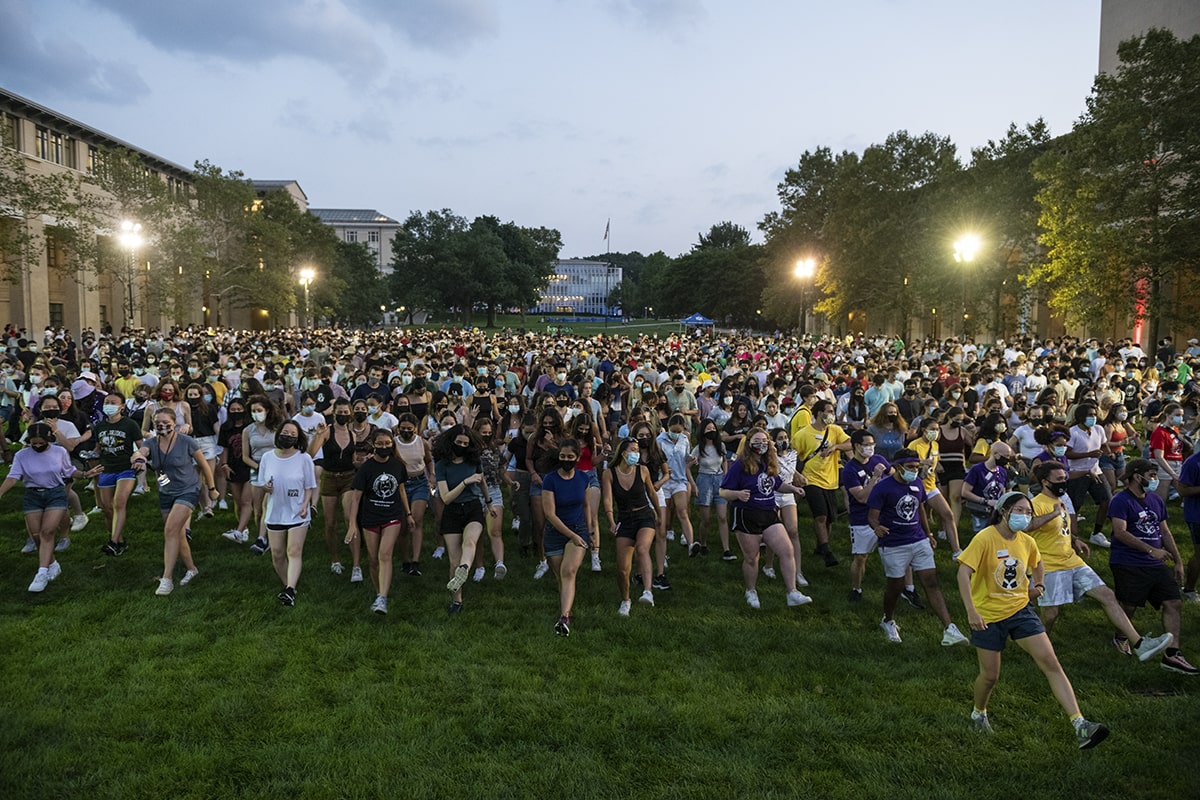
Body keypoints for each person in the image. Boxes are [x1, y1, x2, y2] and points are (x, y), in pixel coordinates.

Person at [956, 491, 1110, 749]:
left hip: (1020, 610)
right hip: (988, 615)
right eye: (1019, 510)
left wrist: (1038, 585)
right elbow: (963, 573)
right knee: (990, 676)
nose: (1025, 516)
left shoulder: (1027, 541)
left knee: (1051, 662)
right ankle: (978, 712)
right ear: (1004, 511)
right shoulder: (985, 538)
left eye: (1028, 512)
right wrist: (972, 611)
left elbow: (1037, 563)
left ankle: (1080, 724)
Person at [1025, 461, 1173, 661]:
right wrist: (1052, 513)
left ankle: (1139, 644)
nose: (1064, 482)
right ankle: (1039, 648)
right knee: (1051, 614)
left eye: (1065, 478)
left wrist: (1075, 540)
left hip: (1072, 561)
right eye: (1059, 479)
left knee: (1107, 595)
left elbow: (1059, 530)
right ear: (1045, 482)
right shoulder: (1036, 504)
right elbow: (1027, 527)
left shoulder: (1062, 500)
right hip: (1049, 566)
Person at [867, 448, 969, 646]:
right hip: (894, 543)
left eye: (916, 466)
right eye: (910, 467)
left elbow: (920, 508)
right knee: (895, 586)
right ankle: (888, 620)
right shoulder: (883, 488)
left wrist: (928, 534)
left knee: (931, 581)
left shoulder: (917, 483)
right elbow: (872, 515)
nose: (915, 470)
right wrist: (876, 527)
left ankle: (949, 628)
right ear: (897, 467)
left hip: (918, 539)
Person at [1106, 459, 1197, 674]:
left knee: (1173, 602)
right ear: (1137, 477)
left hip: (1155, 564)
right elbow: (1120, 532)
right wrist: (1150, 549)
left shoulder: (1156, 500)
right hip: (1129, 562)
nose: (1155, 480)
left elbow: (1165, 532)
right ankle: (1121, 636)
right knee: (1129, 605)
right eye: (1152, 475)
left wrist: (1178, 561)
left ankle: (1173, 655)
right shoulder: (1121, 501)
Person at [718, 428, 812, 610]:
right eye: (757, 440)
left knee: (786, 550)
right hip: (746, 514)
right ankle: (751, 590)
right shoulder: (740, 465)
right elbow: (723, 491)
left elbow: (776, 484)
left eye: (765, 441)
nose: (761, 444)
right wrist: (737, 493)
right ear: (749, 443)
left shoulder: (769, 462)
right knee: (752, 558)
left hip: (769, 512)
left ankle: (792, 592)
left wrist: (793, 489)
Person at [0, 423, 100, 592]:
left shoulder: (59, 452)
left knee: (47, 532)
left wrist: (84, 474)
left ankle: (41, 572)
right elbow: (13, 476)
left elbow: (68, 471)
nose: (37, 446)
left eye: (41, 443)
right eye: (34, 443)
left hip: (55, 493)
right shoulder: (22, 455)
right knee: (37, 536)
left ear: (49, 439)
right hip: (32, 495)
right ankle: (52, 563)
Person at [133, 408, 219, 596]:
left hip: (188, 490)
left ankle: (167, 579)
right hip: (166, 491)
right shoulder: (151, 442)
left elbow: (204, 465)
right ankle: (192, 569)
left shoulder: (186, 441)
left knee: (170, 530)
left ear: (175, 423)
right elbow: (141, 451)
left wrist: (212, 489)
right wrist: (138, 458)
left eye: (165, 422)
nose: (162, 426)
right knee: (177, 534)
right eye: (157, 423)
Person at [345, 428, 413, 615]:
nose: (384, 447)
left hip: (392, 516)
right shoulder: (366, 468)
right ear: (373, 445)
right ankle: (378, 593)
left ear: (392, 444)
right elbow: (356, 498)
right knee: (373, 560)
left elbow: (401, 490)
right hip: (370, 517)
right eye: (380, 443)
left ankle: (382, 597)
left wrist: (408, 514)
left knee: (385, 555)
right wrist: (352, 524)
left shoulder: (398, 465)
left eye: (387, 443)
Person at [435, 424, 496, 614]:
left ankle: (465, 568)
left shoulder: (473, 461)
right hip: (452, 511)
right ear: (451, 442)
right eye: (458, 442)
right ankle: (457, 600)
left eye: (465, 443)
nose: (461, 445)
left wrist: (489, 503)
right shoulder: (442, 465)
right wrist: (464, 482)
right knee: (453, 559)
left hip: (472, 508)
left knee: (470, 542)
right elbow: (446, 498)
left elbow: (482, 481)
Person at [256, 420, 318, 606]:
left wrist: (306, 505)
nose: (288, 436)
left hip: (297, 512)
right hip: (276, 512)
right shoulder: (268, 457)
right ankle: (288, 585)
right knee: (277, 553)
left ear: (298, 438)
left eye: (293, 433)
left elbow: (310, 486)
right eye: (285, 432)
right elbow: (262, 483)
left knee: (294, 551)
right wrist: (266, 487)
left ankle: (290, 589)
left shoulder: (304, 458)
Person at [602, 437, 661, 615]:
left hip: (644, 516)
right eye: (633, 450)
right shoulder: (609, 473)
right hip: (625, 519)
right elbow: (607, 499)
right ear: (622, 452)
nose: (636, 453)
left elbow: (651, 492)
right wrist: (611, 521)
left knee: (642, 549)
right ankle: (626, 600)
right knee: (622, 569)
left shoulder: (642, 470)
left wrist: (659, 514)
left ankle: (648, 591)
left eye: (637, 450)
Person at [791, 399, 851, 567]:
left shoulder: (835, 430)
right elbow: (793, 454)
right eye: (829, 411)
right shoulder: (803, 434)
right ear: (819, 413)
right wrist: (796, 474)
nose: (832, 415)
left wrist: (835, 447)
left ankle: (820, 545)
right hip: (811, 479)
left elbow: (850, 443)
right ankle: (826, 550)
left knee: (830, 519)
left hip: (830, 480)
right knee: (821, 515)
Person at [541, 437, 592, 635]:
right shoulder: (550, 480)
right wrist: (569, 534)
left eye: (570, 456)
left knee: (569, 571)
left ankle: (563, 618)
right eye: (563, 456)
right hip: (555, 532)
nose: (566, 459)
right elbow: (549, 514)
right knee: (561, 577)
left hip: (578, 529)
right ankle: (567, 611)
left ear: (578, 458)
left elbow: (586, 506)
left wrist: (589, 530)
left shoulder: (583, 479)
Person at [841, 429, 890, 602]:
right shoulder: (849, 470)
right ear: (856, 446)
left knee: (898, 552)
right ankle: (857, 588)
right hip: (862, 518)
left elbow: (894, 476)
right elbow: (861, 497)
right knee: (861, 556)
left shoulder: (879, 460)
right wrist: (875, 477)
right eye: (866, 445)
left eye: (872, 444)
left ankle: (907, 588)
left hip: (885, 515)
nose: (870, 448)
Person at [93, 392, 142, 556]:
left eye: (113, 402)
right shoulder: (99, 426)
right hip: (106, 469)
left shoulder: (130, 424)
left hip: (125, 468)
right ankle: (119, 541)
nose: (109, 405)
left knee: (119, 502)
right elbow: (98, 448)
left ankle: (112, 541)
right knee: (107, 509)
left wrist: (139, 458)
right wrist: (91, 455)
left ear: (122, 406)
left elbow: (141, 446)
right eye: (107, 402)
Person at [1064, 403, 1113, 548]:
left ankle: (1097, 533)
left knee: (1106, 501)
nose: (1093, 418)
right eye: (1090, 415)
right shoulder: (1073, 432)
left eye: (1094, 415)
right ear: (1081, 417)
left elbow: (1104, 445)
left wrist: (1108, 452)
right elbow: (1068, 454)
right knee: (1075, 505)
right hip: (1077, 473)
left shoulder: (1098, 429)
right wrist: (1089, 454)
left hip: (1095, 471)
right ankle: (1071, 536)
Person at [470, 416, 511, 582]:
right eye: (483, 432)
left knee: (495, 531)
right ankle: (479, 566)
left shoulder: (494, 449)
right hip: (474, 492)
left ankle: (499, 563)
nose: (486, 435)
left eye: (489, 432)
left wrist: (510, 481)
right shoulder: (470, 450)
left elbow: (500, 469)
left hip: (493, 490)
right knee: (477, 533)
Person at [691, 417, 732, 560]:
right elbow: (687, 468)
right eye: (708, 429)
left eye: (713, 428)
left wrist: (726, 476)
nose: (712, 431)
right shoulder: (698, 450)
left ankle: (726, 549)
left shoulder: (720, 446)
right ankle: (703, 543)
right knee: (706, 519)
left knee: (722, 516)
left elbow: (725, 460)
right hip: (704, 481)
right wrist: (693, 484)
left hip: (719, 480)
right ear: (703, 431)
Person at [656, 413, 698, 555]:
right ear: (668, 428)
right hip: (664, 481)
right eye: (673, 431)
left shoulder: (684, 440)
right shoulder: (659, 441)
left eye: (679, 432)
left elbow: (685, 456)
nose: (676, 434)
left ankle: (691, 545)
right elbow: (655, 460)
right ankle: (663, 551)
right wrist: (662, 467)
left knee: (683, 511)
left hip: (679, 480)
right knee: (665, 519)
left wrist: (690, 458)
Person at [960, 442, 1013, 534]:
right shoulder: (977, 470)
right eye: (1006, 456)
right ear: (996, 454)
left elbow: (1004, 491)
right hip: (981, 511)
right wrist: (985, 501)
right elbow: (965, 492)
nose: (1008, 459)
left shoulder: (1003, 472)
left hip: (998, 513)